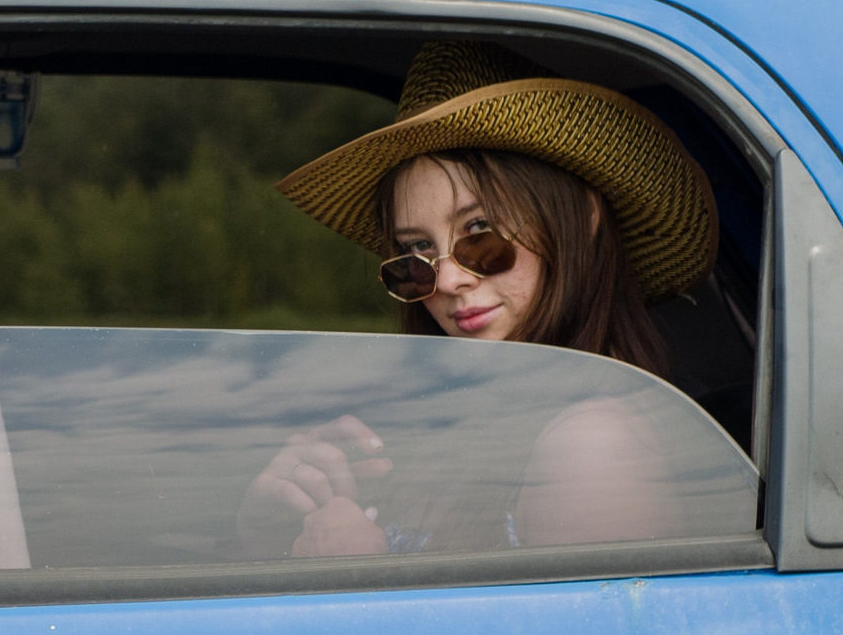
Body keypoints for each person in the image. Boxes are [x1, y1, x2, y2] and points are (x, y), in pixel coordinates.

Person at [238, 41, 723, 559]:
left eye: (479, 231)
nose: (447, 279)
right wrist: (266, 529)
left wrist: (357, 579)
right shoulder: (467, 424)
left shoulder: (594, 446)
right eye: (416, 251)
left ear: (582, 216)